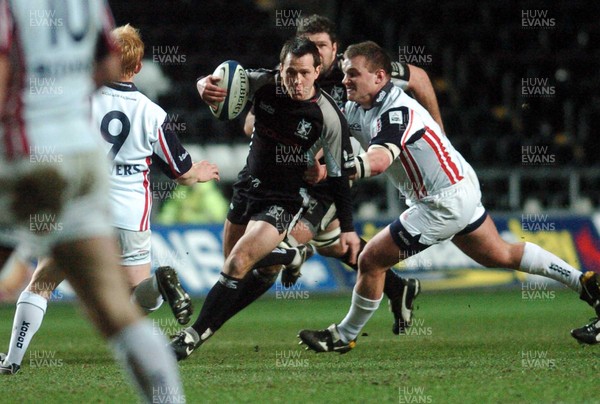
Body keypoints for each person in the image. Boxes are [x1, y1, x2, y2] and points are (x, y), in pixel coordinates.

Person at [298, 41, 600, 353]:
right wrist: (314, 160)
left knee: (371, 260)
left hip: (441, 202)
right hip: (458, 186)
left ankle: (343, 336)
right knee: (500, 255)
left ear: (379, 77)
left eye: (353, 74)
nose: (345, 80)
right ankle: (585, 283)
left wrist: (337, 171)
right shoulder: (359, 105)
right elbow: (338, 134)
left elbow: (379, 160)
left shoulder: (396, 112)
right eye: (345, 73)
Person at [199, 14, 447, 335]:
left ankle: (205, 328)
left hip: (336, 174)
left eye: (321, 47)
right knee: (334, 246)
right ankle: (398, 287)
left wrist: (439, 133)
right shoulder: (294, 75)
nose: (315, 53)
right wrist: (212, 88)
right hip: (299, 175)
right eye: (309, 47)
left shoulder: (354, 69)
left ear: (334, 49)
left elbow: (421, 79)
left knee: (279, 251)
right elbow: (250, 121)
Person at [0, 24, 221, 374]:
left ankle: (11, 360)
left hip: (83, 209)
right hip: (131, 216)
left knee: (41, 283)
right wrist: (201, 171)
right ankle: (159, 285)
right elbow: (181, 172)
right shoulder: (153, 113)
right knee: (135, 303)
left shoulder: (80, 100)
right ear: (137, 69)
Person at [169, 36, 361, 360]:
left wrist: (348, 227)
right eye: (289, 72)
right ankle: (290, 257)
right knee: (233, 271)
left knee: (238, 263)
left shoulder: (328, 117)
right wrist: (204, 86)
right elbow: (220, 79)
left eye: (303, 73)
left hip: (284, 198)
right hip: (248, 187)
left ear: (317, 71)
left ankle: (193, 335)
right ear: (280, 68)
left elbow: (339, 175)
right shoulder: (264, 82)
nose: (295, 81)